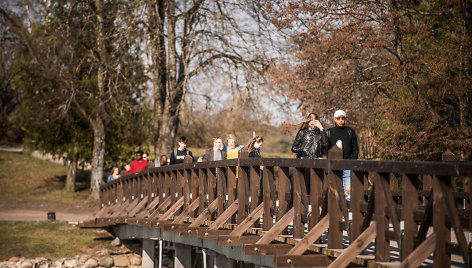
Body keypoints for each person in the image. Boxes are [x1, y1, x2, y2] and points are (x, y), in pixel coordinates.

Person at [326, 110, 359, 201]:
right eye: (338, 118)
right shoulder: (329, 132)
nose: (341, 120)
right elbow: (325, 148)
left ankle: (348, 211)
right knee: (333, 189)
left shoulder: (350, 132)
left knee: (348, 190)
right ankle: (334, 210)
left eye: (343, 118)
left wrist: (352, 161)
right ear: (334, 119)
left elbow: (355, 148)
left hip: (347, 164)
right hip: (333, 165)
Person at [291, 113, 328, 194]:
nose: (313, 122)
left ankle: (317, 205)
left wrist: (321, 128)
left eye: (315, 120)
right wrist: (303, 149)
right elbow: (293, 148)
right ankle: (307, 205)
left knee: (318, 188)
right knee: (307, 187)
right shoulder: (302, 132)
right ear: (308, 121)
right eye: (312, 120)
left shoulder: (320, 132)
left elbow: (326, 145)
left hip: (318, 162)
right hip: (305, 162)